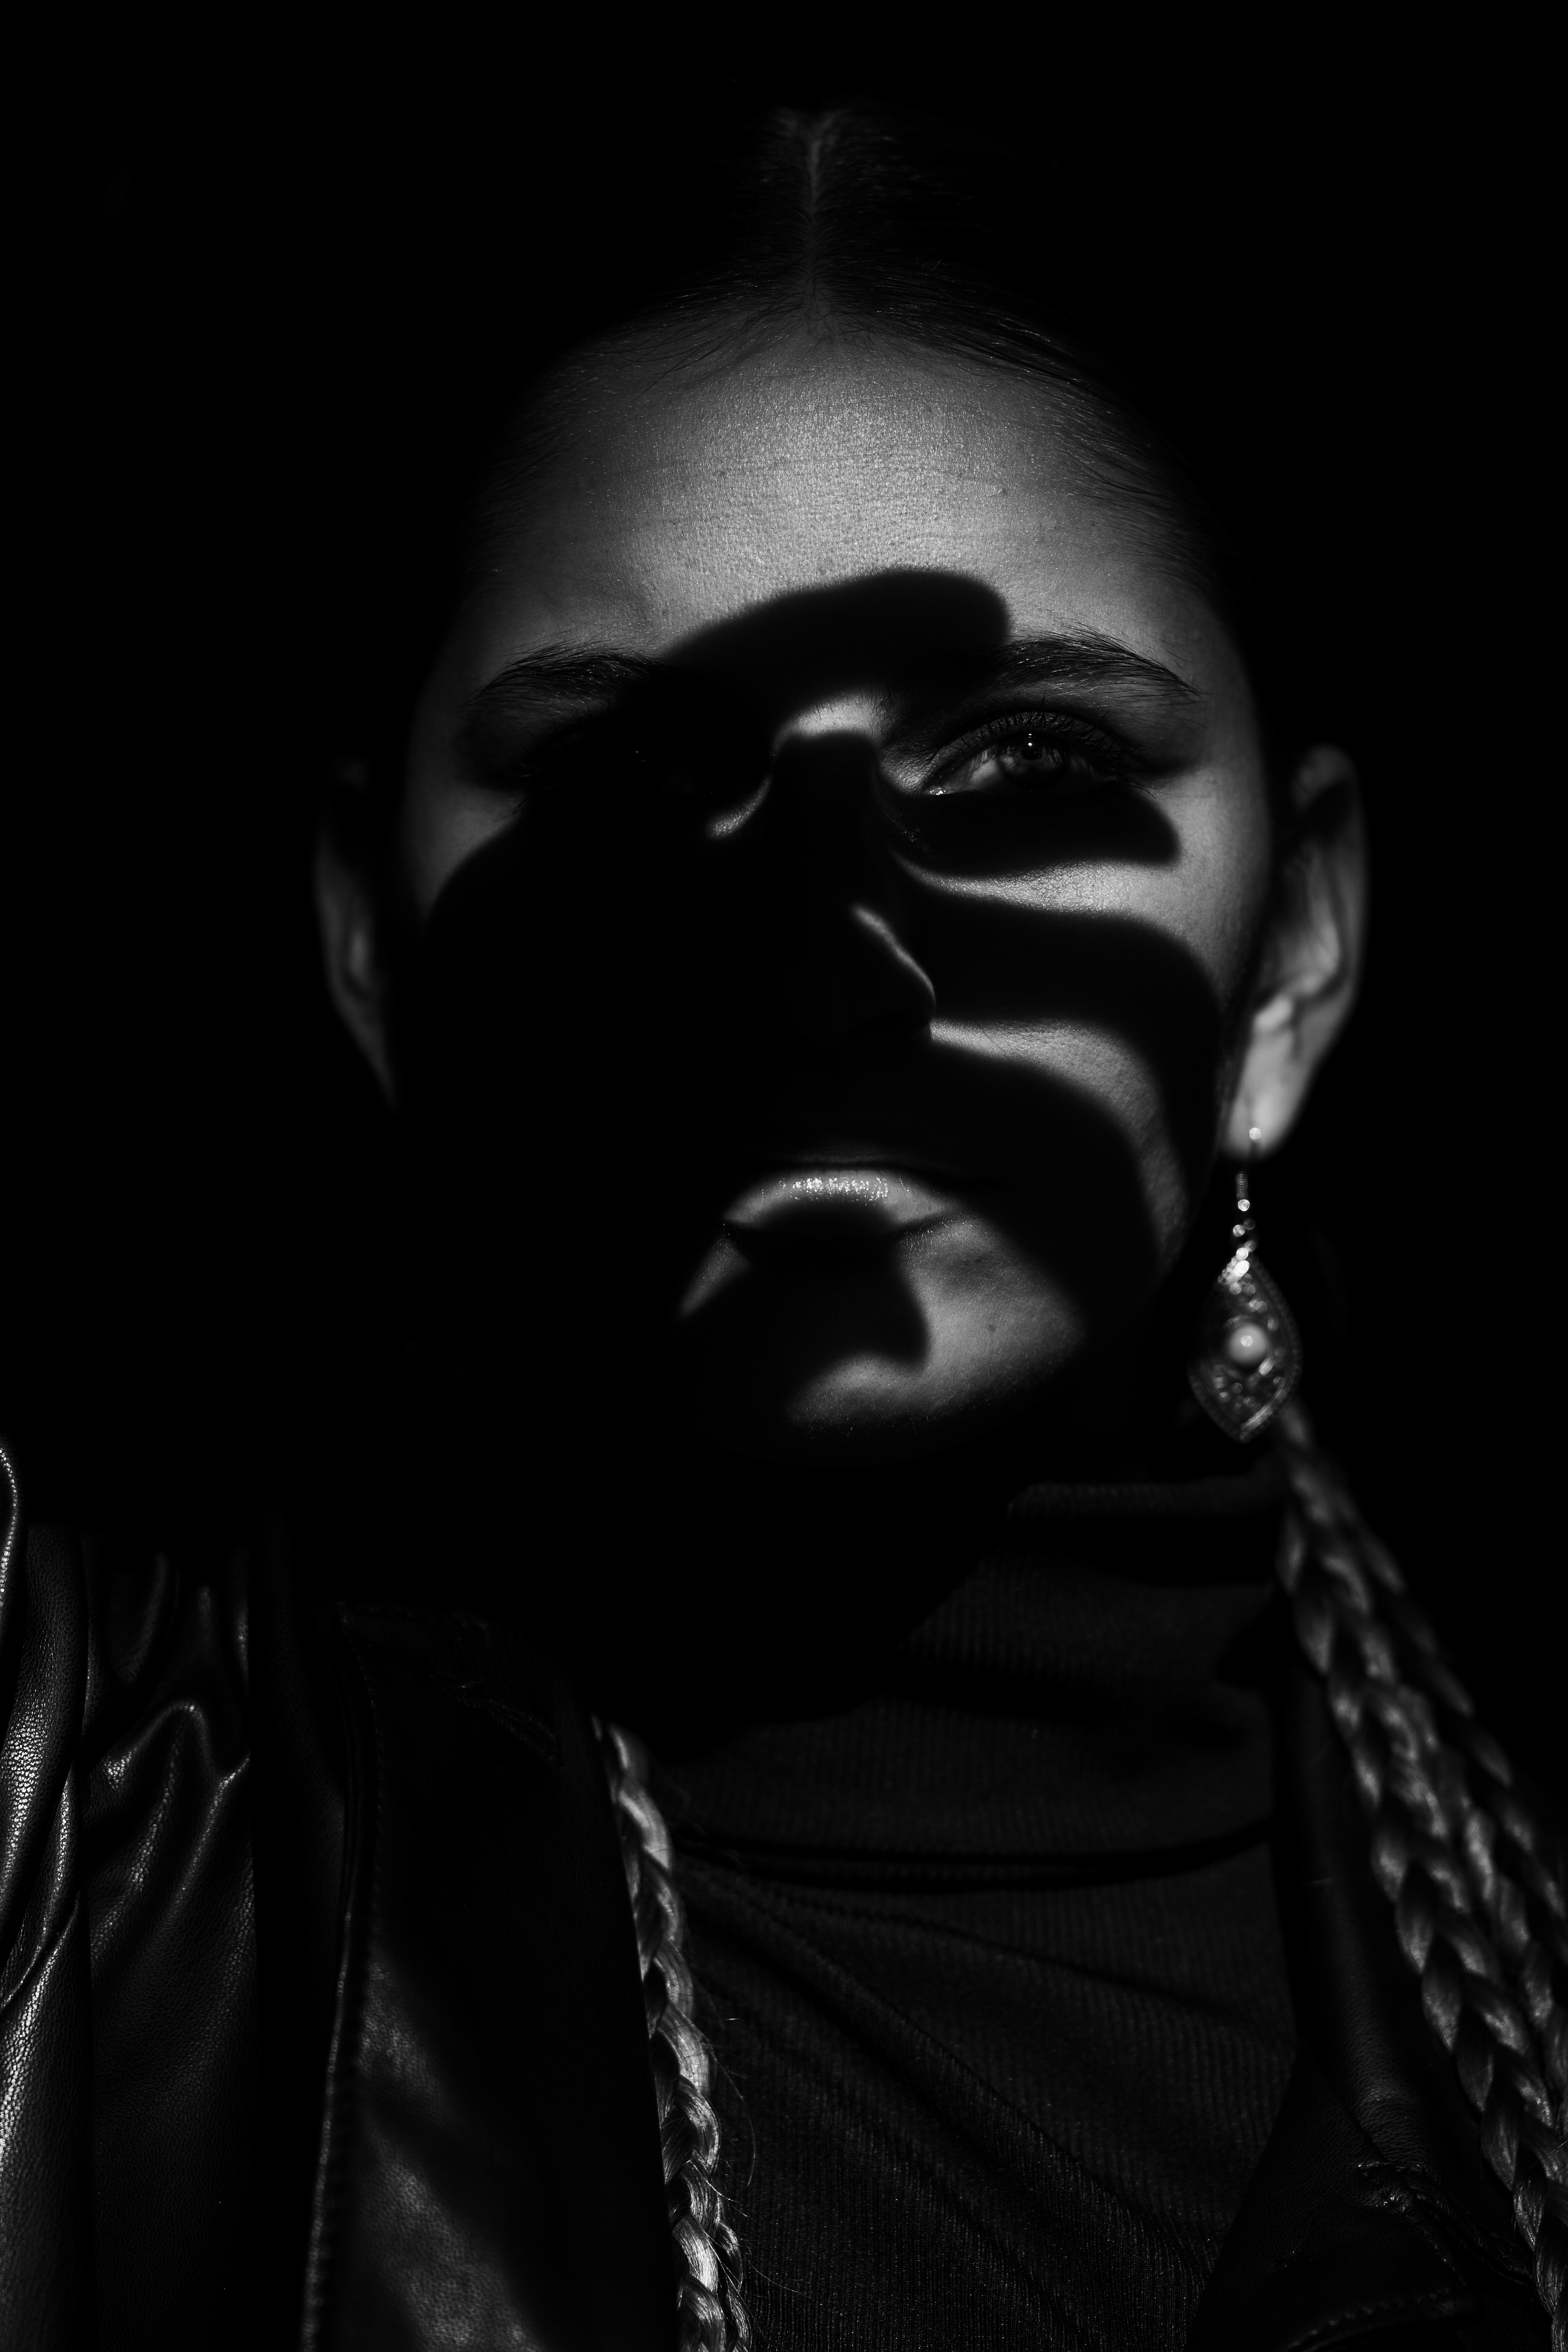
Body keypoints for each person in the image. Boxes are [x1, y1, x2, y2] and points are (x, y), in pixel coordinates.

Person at [1, 105, 1561, 2351]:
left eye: (1029, 762)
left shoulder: (1509, 1895)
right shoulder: (87, 1841)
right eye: (633, 780)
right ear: (370, 938)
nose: (829, 969)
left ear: (1293, 954)